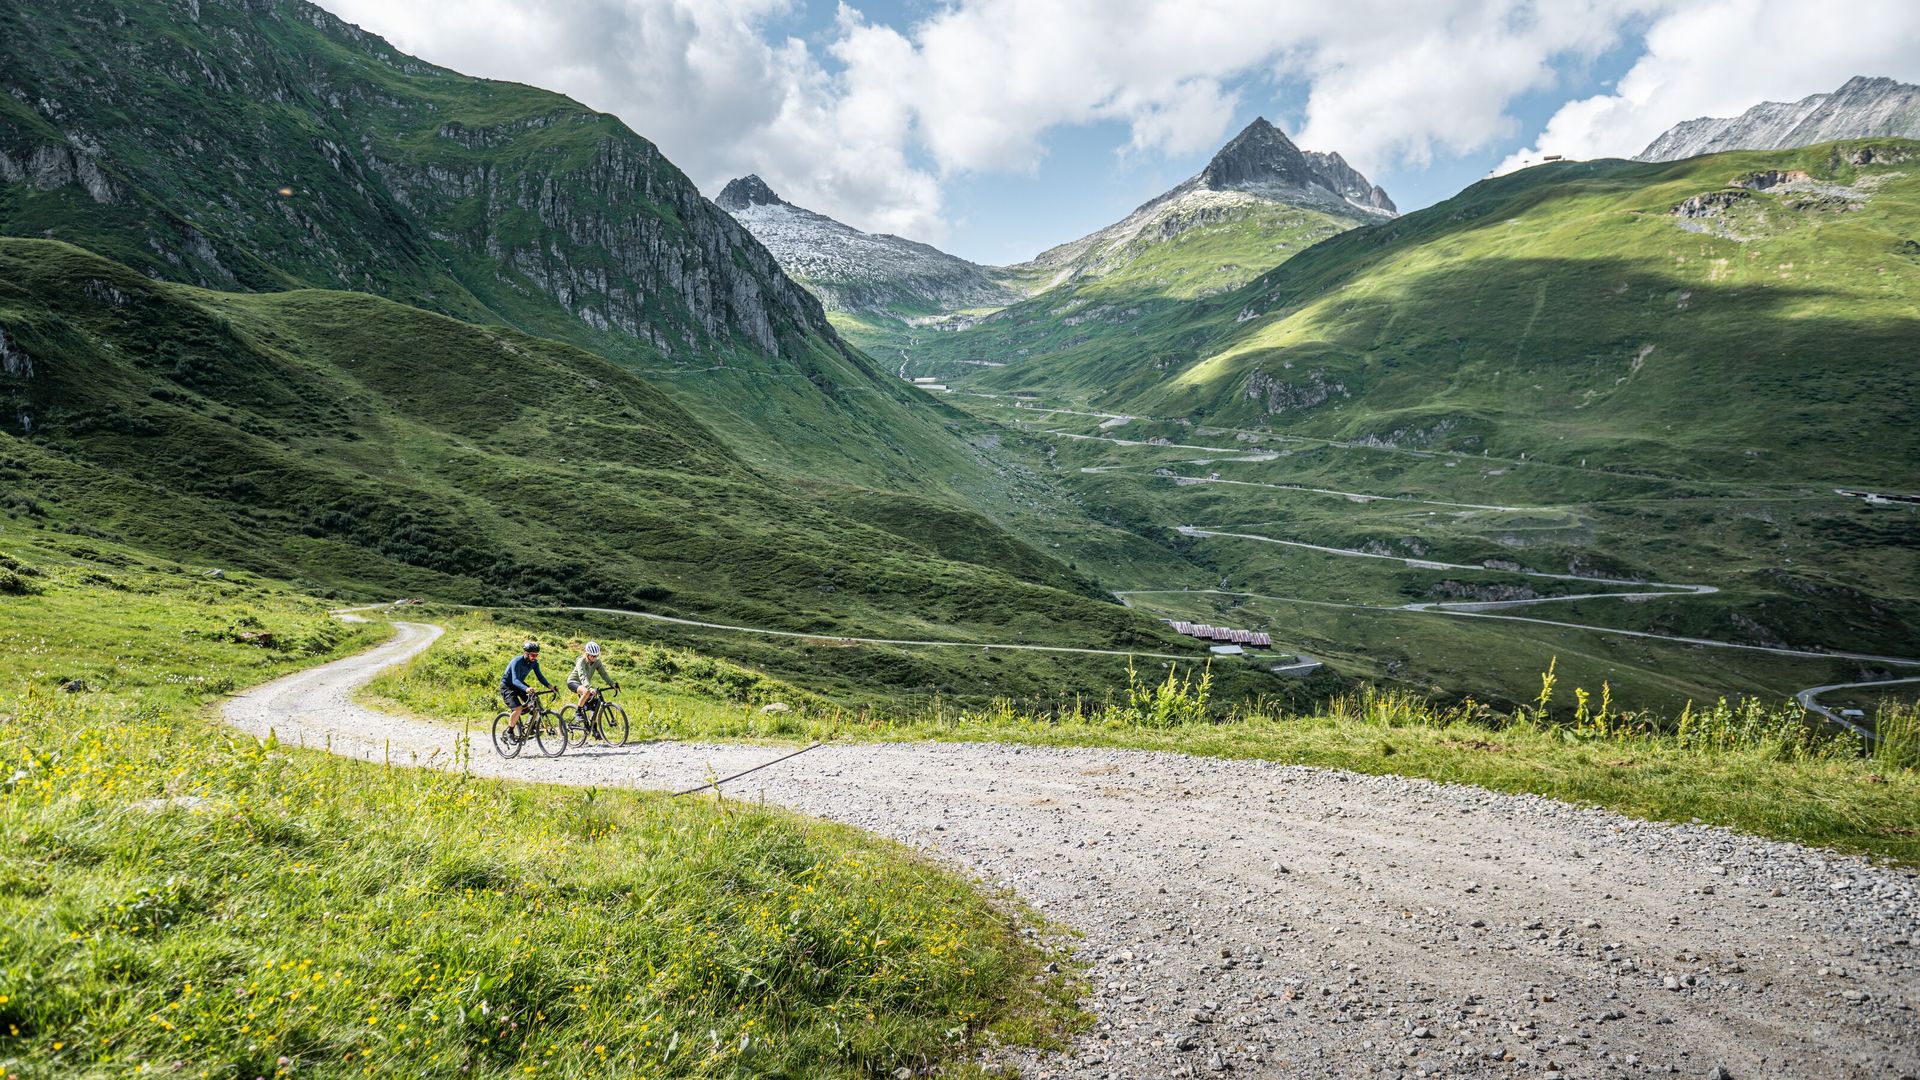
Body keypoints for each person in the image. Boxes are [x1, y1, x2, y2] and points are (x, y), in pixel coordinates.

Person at [500, 640, 553, 738]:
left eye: (536, 655)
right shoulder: (516, 661)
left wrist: (550, 686)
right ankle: (509, 732)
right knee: (518, 709)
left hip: (519, 685)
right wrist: (526, 689)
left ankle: (530, 727)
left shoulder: (534, 663)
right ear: (526, 653)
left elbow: (540, 677)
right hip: (507, 685)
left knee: (535, 704)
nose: (534, 657)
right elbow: (514, 680)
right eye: (533, 655)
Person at [569, 640, 614, 718]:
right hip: (573, 682)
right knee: (586, 692)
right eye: (592, 656)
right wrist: (589, 688)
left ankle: (593, 726)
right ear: (587, 654)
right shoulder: (581, 661)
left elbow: (603, 674)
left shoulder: (597, 662)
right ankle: (578, 712)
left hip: (585, 684)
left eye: (596, 656)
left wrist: (612, 683)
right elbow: (582, 676)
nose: (594, 658)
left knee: (596, 702)